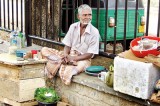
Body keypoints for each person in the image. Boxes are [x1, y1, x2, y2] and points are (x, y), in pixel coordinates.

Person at [41, 4, 100, 85]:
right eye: (85, 15)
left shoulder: (94, 32)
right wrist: (65, 55)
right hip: (69, 55)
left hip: (82, 59)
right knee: (44, 50)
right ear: (78, 16)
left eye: (89, 15)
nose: (88, 17)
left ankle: (61, 63)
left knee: (69, 72)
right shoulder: (73, 27)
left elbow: (90, 54)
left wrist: (74, 58)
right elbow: (67, 45)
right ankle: (62, 61)